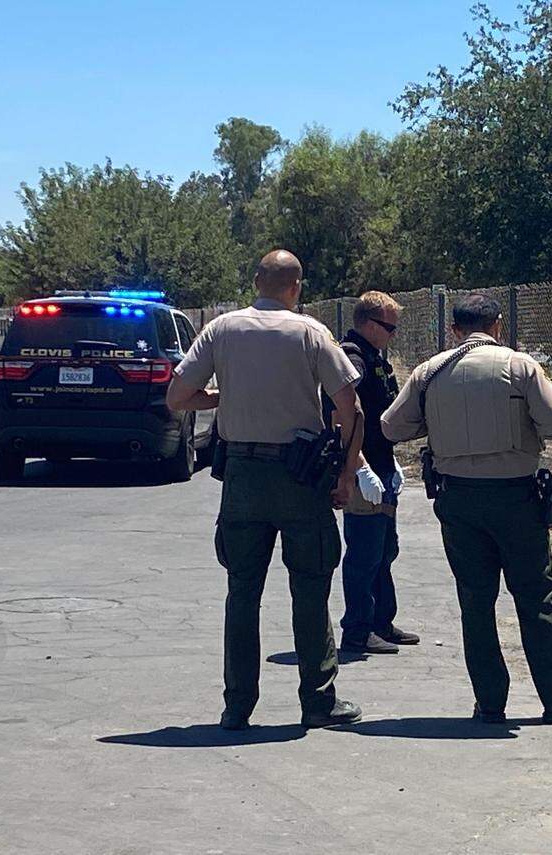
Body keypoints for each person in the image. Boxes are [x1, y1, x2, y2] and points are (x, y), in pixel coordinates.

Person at [166, 249, 365, 731]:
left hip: (243, 476)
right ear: (296, 288)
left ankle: (237, 705)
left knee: (242, 592)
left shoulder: (221, 329)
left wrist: (223, 395)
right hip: (300, 477)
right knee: (311, 588)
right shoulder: (310, 332)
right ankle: (317, 701)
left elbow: (177, 398)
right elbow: (349, 407)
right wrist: (344, 474)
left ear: (256, 281)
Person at [381, 293, 552, 725]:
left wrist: (434, 424)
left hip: (458, 499)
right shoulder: (519, 366)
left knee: (476, 601)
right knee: (536, 596)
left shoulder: (430, 371)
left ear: (454, 330)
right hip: (516, 497)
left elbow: (391, 426)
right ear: (498, 325)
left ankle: (490, 702)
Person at [329, 291, 420, 655]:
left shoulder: (374, 358)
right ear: (367, 324)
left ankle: (381, 621)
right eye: (388, 327)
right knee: (364, 552)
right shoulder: (352, 360)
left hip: (382, 466)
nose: (392, 334)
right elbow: (341, 416)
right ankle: (357, 629)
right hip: (362, 471)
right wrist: (359, 468)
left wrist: (390, 462)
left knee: (385, 549)